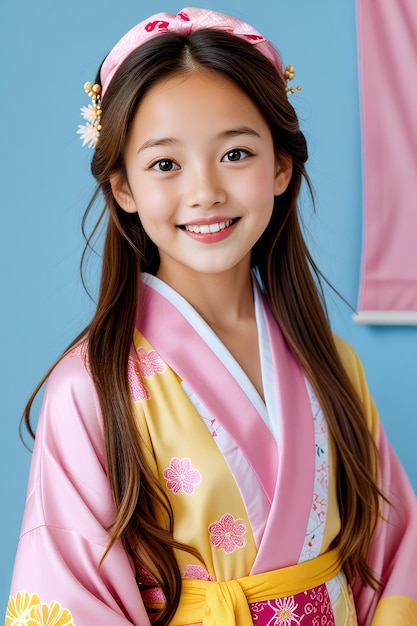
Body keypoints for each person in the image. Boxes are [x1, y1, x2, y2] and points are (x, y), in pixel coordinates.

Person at [6, 7, 417, 626]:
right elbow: (70, 596)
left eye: (236, 153)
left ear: (280, 166)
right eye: (165, 164)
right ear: (123, 188)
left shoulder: (332, 363)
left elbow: (394, 555)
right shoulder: (90, 390)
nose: (205, 192)